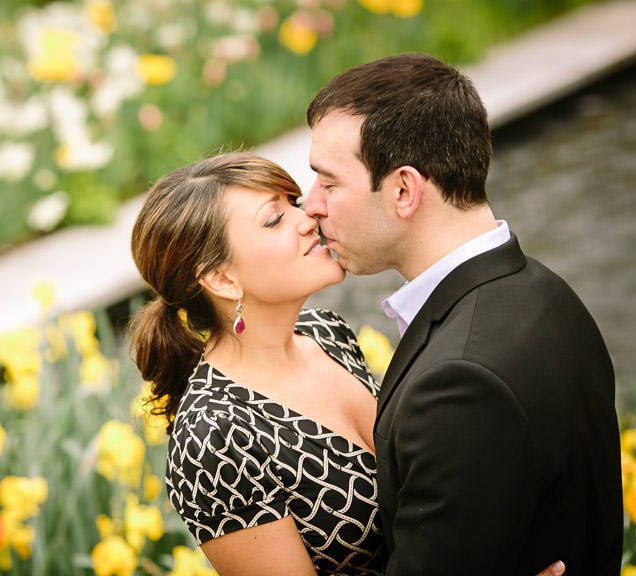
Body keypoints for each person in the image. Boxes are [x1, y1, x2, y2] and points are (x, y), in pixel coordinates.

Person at [128, 152, 569, 576]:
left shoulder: (326, 334)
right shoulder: (213, 438)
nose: (308, 219)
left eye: (294, 203)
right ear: (221, 279)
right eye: (274, 219)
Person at [302, 52, 622, 575]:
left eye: (329, 183)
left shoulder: (458, 382)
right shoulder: (545, 290)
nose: (312, 205)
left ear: (404, 190)